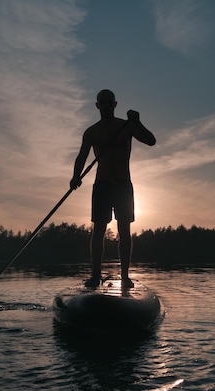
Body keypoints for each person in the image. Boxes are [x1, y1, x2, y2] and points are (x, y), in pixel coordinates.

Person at [70, 89, 156, 288]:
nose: (107, 105)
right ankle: (95, 276)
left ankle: (125, 277)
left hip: (123, 184)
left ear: (115, 104)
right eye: (103, 102)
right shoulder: (92, 131)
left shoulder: (126, 126)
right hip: (102, 184)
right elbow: (82, 156)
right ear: (97, 105)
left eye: (110, 102)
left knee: (124, 229)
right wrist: (75, 176)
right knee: (99, 229)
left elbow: (151, 141)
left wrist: (137, 122)